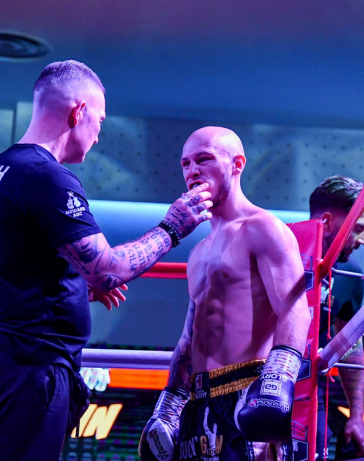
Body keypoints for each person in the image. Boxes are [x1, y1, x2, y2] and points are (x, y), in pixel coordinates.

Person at [0, 60, 213, 461]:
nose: (98, 134)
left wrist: (74, 288)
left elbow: (13, 264)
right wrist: (172, 227)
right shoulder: (46, 176)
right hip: (28, 365)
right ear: (78, 112)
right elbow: (109, 269)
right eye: (99, 120)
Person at [139, 126, 311, 461]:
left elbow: (295, 308)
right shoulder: (198, 252)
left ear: (237, 164)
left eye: (204, 159)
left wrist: (277, 380)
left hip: (247, 392)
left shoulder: (262, 227)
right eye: (186, 163)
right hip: (198, 401)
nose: (193, 171)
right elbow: (190, 335)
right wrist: (169, 406)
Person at [309, 176, 364, 460]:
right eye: (358, 229)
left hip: (311, 394)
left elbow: (350, 344)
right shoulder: (276, 254)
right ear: (327, 222)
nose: (363, 241)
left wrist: (357, 415)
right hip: (253, 387)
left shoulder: (351, 272)